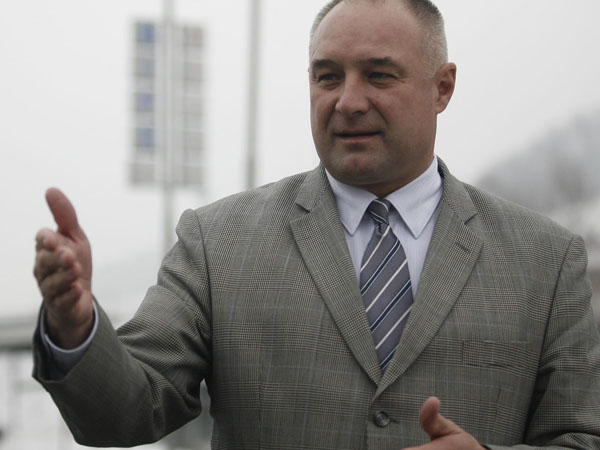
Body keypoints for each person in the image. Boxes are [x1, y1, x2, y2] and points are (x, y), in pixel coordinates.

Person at [32, 0, 600, 448]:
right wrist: (75, 326)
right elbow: (127, 411)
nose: (347, 101)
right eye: (328, 77)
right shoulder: (215, 242)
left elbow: (582, 436)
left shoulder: (547, 261)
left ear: (443, 87)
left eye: (379, 75)